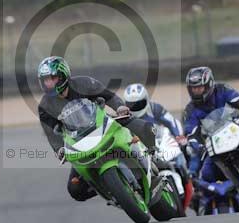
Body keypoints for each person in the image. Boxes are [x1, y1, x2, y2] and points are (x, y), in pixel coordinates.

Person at [37, 56, 158, 202]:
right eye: (45, 80)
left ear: (63, 76)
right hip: (78, 142)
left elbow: (108, 96)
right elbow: (50, 133)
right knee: (75, 190)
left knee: (145, 127)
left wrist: (119, 107)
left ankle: (153, 155)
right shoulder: (45, 106)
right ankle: (109, 188)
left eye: (52, 78)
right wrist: (59, 149)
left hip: (102, 124)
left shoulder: (84, 83)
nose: (48, 83)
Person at [123, 83, 194, 209]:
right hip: (139, 150)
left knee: (182, 161)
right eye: (131, 104)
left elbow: (172, 122)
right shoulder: (124, 116)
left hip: (160, 144)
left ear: (146, 100)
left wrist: (178, 137)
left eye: (138, 103)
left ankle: (190, 190)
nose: (135, 107)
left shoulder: (155, 108)